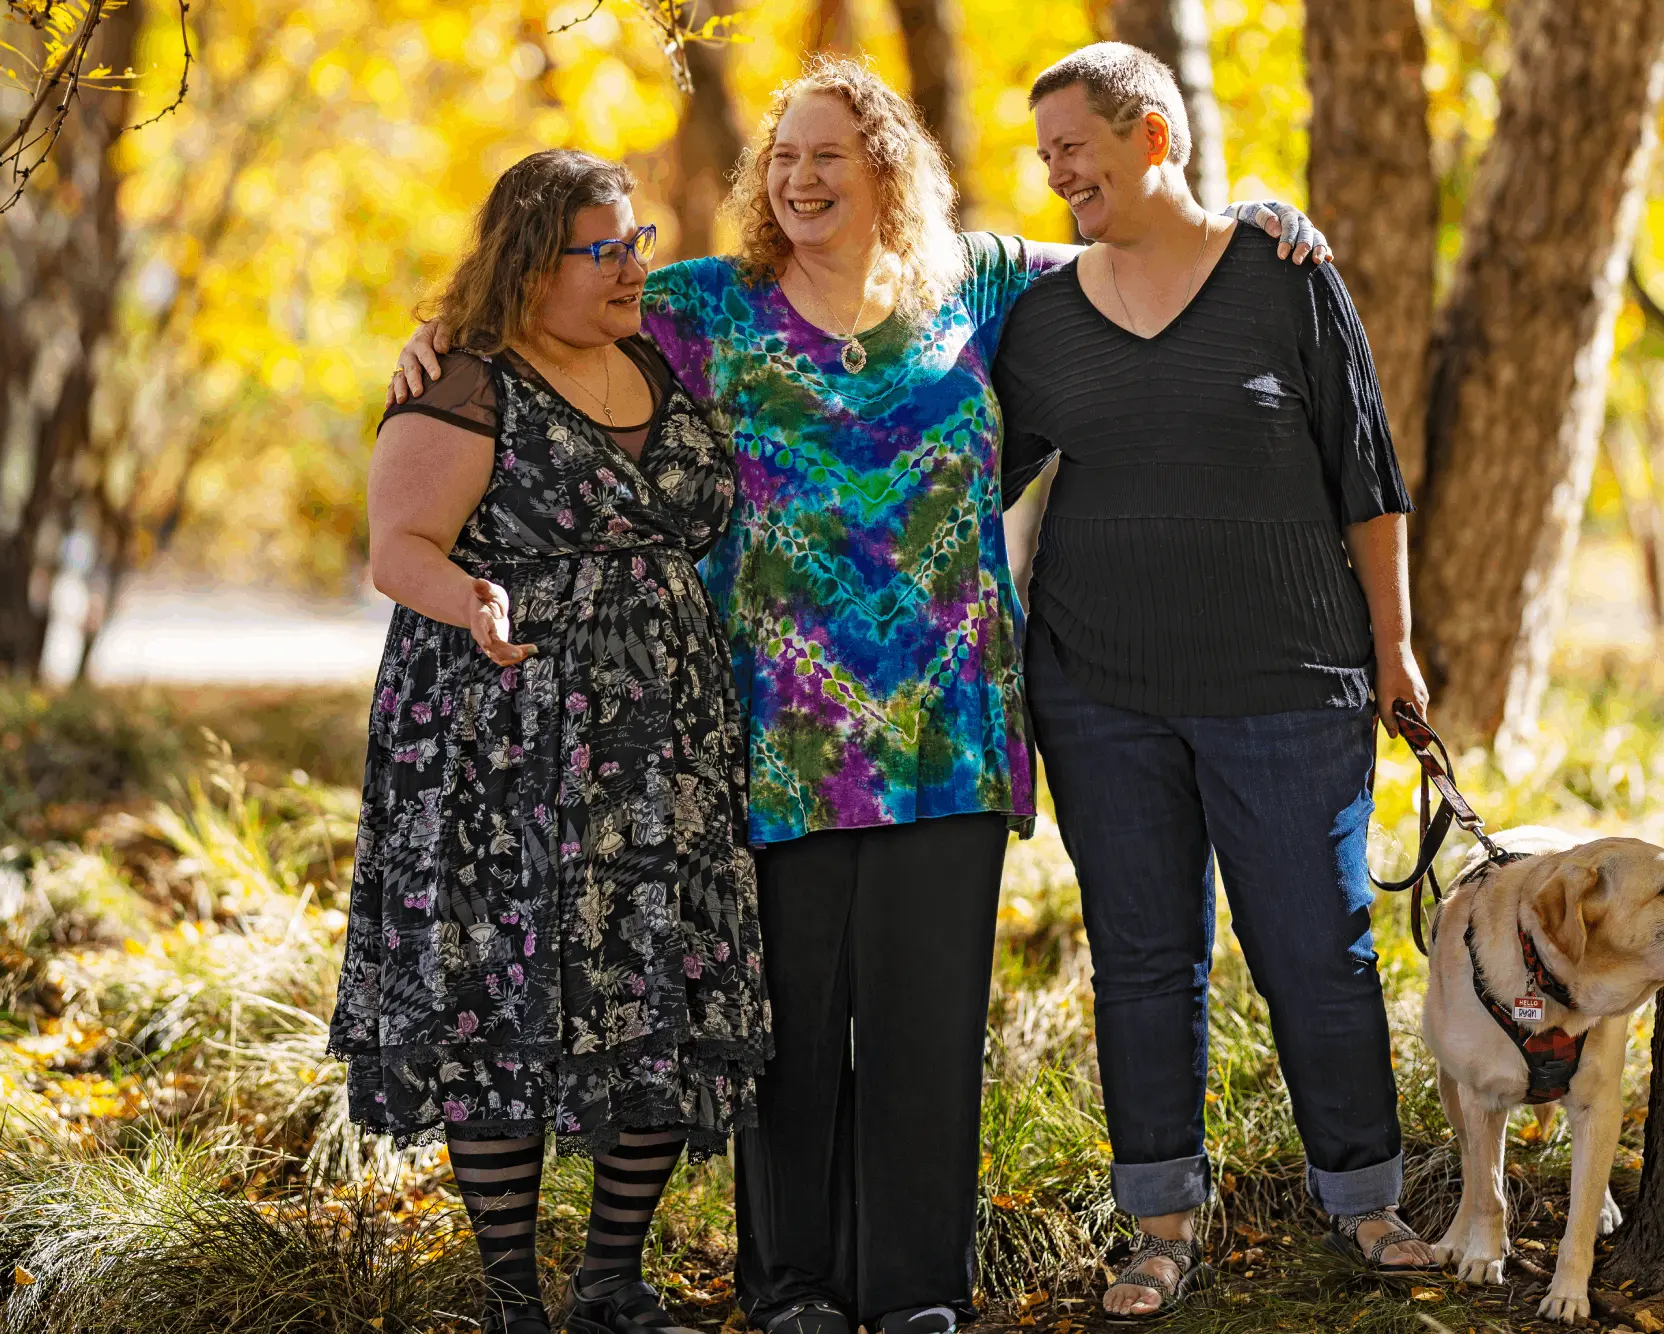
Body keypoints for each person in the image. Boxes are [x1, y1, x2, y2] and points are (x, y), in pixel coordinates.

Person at [392, 57, 1328, 1334]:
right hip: (766, 730)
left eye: (826, 152)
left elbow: (1149, 251)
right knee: (786, 1031)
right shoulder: (705, 305)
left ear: (888, 167)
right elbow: (545, 301)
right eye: (782, 156)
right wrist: (440, 332)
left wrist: (1256, 213)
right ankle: (792, 1287)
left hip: (947, 730)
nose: (799, 176)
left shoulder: (981, 285)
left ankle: (916, 1289)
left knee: (925, 1027)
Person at [994, 43, 1436, 1317]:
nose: (1055, 172)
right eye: (1043, 155)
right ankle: (1159, 1223)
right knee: (1141, 956)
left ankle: (1364, 1197)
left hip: (1289, 678)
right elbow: (962, 470)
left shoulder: (1284, 276)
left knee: (1315, 944)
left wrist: (1393, 645)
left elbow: (1364, 472)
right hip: (1096, 687)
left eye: (1074, 147)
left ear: (1152, 136)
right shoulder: (1039, 316)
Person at [329, 148, 770, 1334]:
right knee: (500, 992)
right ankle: (510, 1297)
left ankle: (611, 1284)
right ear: (531, 267)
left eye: (638, 240)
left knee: (658, 980)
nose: (632, 267)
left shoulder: (657, 348)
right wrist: (471, 601)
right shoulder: (467, 381)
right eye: (604, 249)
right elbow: (398, 547)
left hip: (662, 740)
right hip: (504, 739)